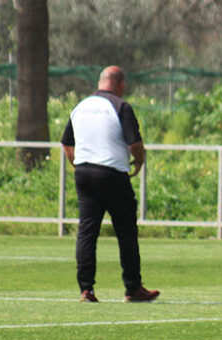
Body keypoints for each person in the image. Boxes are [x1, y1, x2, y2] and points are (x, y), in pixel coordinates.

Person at [60, 66, 160, 303]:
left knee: (87, 231)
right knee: (126, 231)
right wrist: (140, 162)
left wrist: (78, 163)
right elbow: (134, 143)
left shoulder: (80, 106)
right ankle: (133, 288)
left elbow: (66, 144)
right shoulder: (120, 106)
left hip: (84, 173)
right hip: (113, 173)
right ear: (121, 85)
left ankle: (86, 289)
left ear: (100, 82)